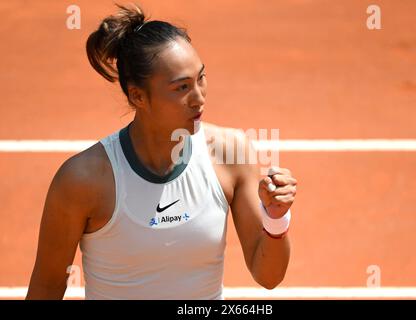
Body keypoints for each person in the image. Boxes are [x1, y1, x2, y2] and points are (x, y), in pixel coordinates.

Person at [26, 4, 297, 300]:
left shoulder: (230, 153)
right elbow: (47, 287)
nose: (199, 98)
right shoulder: (83, 179)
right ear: (138, 96)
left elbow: (268, 277)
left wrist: (275, 218)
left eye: (201, 78)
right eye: (181, 87)